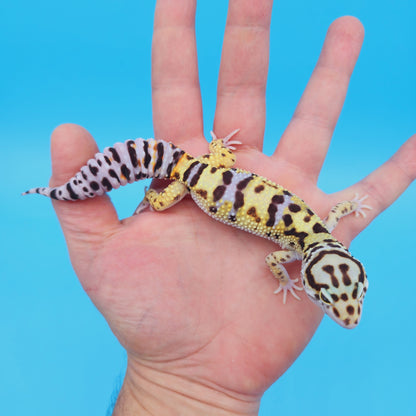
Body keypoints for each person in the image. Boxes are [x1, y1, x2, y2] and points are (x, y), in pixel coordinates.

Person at [48, 1, 415, 414]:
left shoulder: (319, 229)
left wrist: (347, 206)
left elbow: (333, 214)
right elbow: (274, 262)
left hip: (212, 167)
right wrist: (286, 278)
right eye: (337, 299)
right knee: (162, 202)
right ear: (338, 267)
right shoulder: (296, 250)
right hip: (192, 183)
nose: (346, 313)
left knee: (183, 174)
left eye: (340, 300)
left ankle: (169, 169)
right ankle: (141, 192)